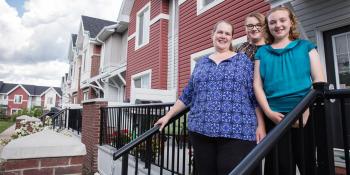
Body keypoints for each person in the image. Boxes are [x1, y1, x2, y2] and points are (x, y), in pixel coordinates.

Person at [155, 20, 265, 175]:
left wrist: (261, 125)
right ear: (212, 35)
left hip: (237, 131)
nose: (223, 36)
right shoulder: (201, 63)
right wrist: (168, 116)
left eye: (227, 33)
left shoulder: (243, 61)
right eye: (220, 32)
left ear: (231, 38)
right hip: (201, 131)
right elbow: (188, 93)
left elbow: (253, 94)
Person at [253, 7, 325, 175]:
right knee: (280, 167)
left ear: (291, 22)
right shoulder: (262, 52)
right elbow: (257, 85)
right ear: (268, 27)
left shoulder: (306, 47)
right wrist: (269, 112)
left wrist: (305, 110)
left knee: (308, 164)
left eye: (282, 20)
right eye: (272, 22)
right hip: (274, 117)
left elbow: (319, 80)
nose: (278, 25)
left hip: (305, 115)